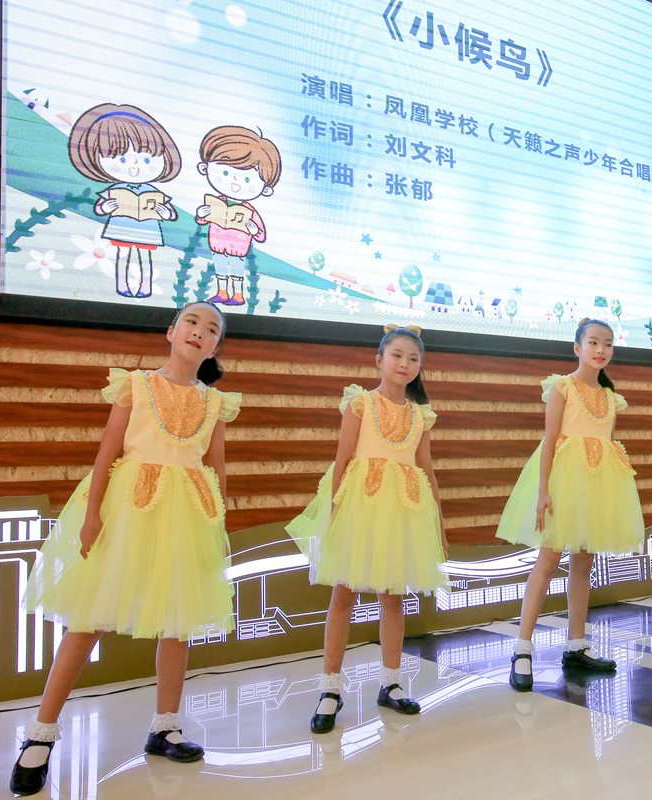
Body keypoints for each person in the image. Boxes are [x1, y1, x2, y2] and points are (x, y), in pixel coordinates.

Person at [11, 303, 239, 796]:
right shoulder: (135, 385)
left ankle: (165, 727)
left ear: (215, 347)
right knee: (89, 618)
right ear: (171, 331)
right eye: (192, 322)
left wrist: (216, 527)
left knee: (177, 621)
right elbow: (107, 451)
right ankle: (40, 735)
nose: (199, 332)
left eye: (211, 329)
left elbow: (216, 467)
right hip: (129, 510)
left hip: (188, 516)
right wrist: (92, 514)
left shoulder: (216, 403)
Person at [286, 326, 448, 733]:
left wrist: (439, 525)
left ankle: (391, 683)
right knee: (344, 595)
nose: (404, 364)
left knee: (393, 597)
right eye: (397, 355)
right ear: (379, 360)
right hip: (361, 509)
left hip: (403, 511)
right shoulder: (360, 403)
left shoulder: (420, 415)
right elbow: (342, 460)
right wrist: (334, 515)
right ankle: (330, 689)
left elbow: (426, 469)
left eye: (413, 358)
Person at [499, 319, 644, 691]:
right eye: (593, 342)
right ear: (577, 348)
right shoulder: (562, 387)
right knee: (548, 561)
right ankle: (522, 649)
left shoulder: (611, 397)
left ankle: (576, 646)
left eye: (607, 343)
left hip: (596, 486)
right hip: (564, 483)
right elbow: (549, 441)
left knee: (584, 563)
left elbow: (608, 446)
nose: (601, 349)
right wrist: (544, 490)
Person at [68, 104, 181, 298]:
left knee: (145, 257)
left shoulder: (153, 191)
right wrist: (105, 207)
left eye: (147, 160)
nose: (135, 165)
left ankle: (145, 288)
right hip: (121, 227)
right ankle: (122, 286)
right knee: (123, 256)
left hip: (147, 230)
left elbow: (170, 212)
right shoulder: (115, 189)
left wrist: (167, 213)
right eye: (121, 159)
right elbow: (100, 208)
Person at [194, 126, 282, 306]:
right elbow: (202, 220)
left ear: (265, 189)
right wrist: (202, 214)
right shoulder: (216, 202)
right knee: (220, 268)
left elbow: (261, 235)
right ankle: (222, 292)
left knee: (236, 271)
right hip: (217, 244)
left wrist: (254, 230)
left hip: (239, 249)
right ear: (205, 168)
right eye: (226, 173)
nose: (235, 182)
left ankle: (238, 295)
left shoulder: (248, 210)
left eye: (247, 179)